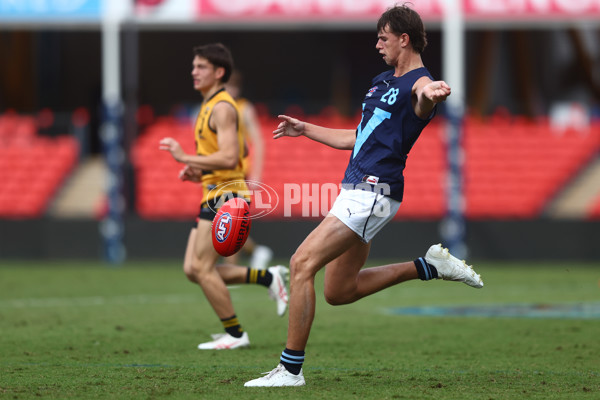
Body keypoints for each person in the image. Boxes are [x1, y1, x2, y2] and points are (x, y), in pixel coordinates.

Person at [244, 4, 483, 387]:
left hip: (375, 191)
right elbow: (356, 137)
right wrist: (305, 128)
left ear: (404, 40)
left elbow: (423, 98)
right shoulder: (380, 82)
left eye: (383, 38)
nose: (377, 44)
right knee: (340, 290)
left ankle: (290, 371)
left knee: (301, 263)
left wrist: (433, 93)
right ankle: (429, 267)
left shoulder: (419, 83)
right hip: (355, 189)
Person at [159, 43, 289, 350]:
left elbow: (231, 158)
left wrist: (186, 158)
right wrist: (199, 171)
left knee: (202, 268)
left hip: (226, 196)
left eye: (201, 67)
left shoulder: (221, 106)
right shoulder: (208, 106)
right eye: (193, 66)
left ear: (219, 73)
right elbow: (239, 150)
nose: (194, 71)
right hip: (214, 192)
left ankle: (235, 334)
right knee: (193, 269)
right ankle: (269, 278)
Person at [224, 70, 273, 270]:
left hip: (238, 172)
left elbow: (258, 142)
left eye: (233, 85)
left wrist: (256, 175)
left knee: (230, 219)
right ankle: (255, 251)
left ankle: (231, 271)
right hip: (221, 172)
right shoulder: (217, 107)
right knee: (224, 220)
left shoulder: (244, 109)